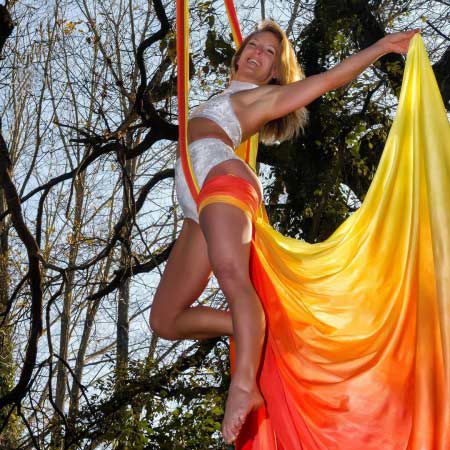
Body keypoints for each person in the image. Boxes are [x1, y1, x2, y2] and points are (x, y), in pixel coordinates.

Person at [150, 21, 419, 445]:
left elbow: (327, 80)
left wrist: (382, 46)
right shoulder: (222, 95)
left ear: (276, 71)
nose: (257, 53)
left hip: (222, 180)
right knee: (165, 319)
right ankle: (256, 325)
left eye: (269, 52)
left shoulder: (260, 98)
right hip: (195, 204)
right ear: (238, 55)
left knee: (233, 277)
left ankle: (244, 386)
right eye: (252, 45)